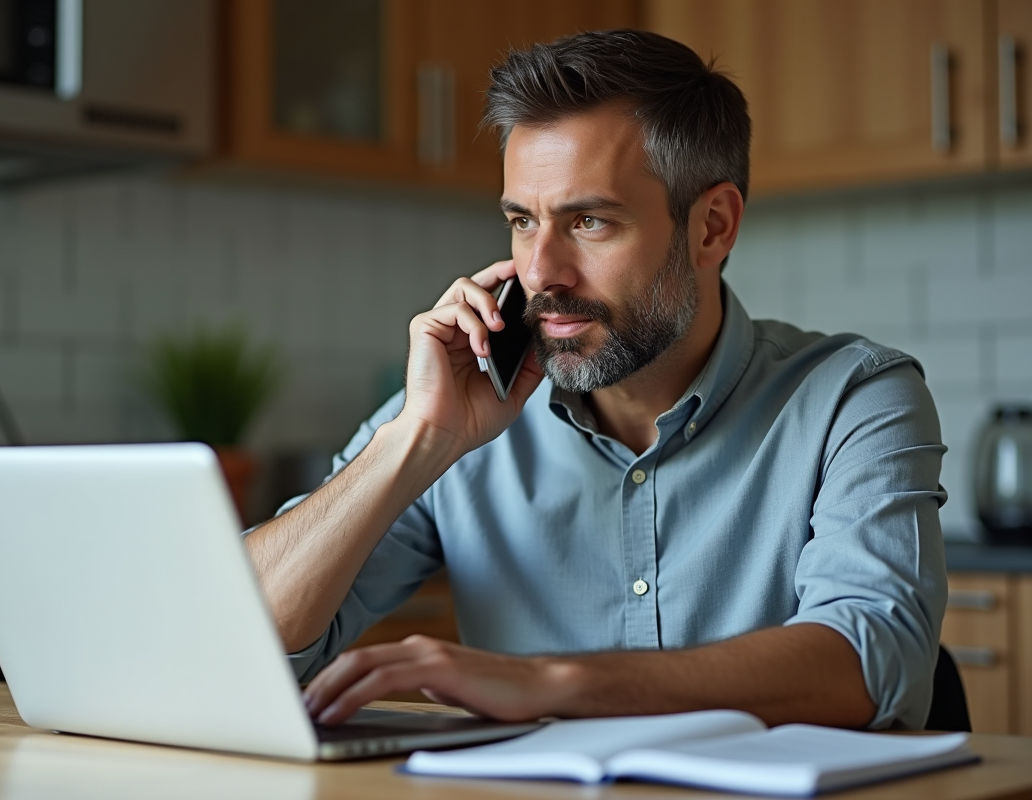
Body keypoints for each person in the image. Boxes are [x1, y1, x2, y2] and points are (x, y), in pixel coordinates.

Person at [244, 30, 948, 731]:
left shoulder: (853, 398)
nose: (541, 271)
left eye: (589, 221)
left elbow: (872, 661)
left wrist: (551, 682)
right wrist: (414, 442)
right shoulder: (457, 411)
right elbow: (239, 643)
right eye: (523, 221)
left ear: (712, 227)